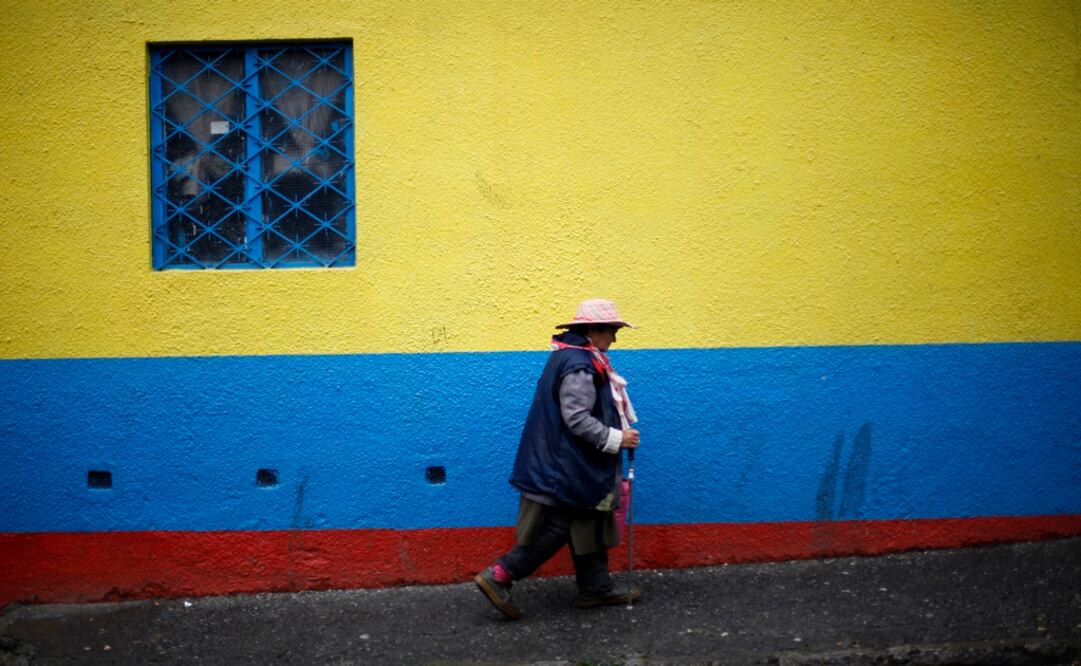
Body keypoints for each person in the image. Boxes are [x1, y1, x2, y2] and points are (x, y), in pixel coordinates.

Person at [474, 298, 641, 619]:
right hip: (567, 465)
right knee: (561, 526)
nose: (616, 338)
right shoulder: (579, 364)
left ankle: (595, 588)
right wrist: (619, 438)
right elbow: (577, 418)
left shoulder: (573, 357)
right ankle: (499, 576)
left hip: (566, 462)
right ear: (593, 330)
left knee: (588, 520)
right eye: (612, 330)